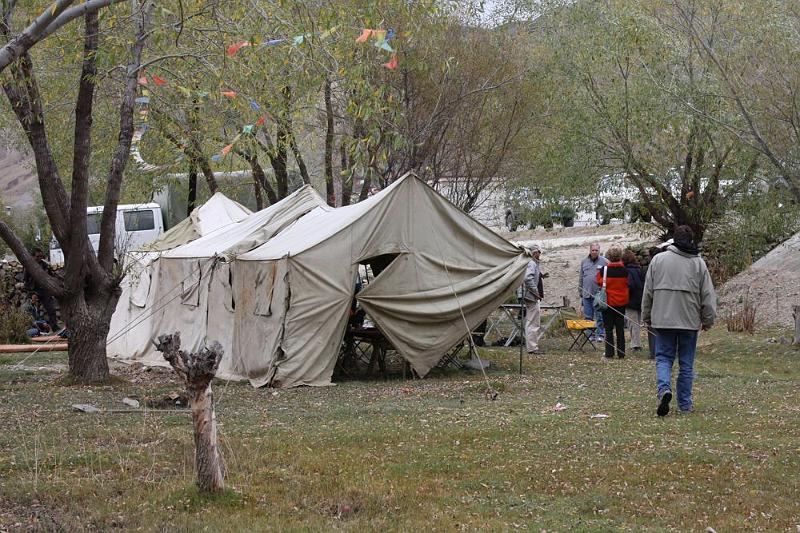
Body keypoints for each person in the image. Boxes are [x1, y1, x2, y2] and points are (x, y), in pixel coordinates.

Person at [642, 225, 716, 416]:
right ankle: (685, 404)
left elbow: (648, 291)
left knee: (663, 358)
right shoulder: (698, 263)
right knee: (686, 363)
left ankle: (664, 389)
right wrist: (708, 319)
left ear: (674, 239)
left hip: (663, 319)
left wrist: (646, 316)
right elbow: (708, 295)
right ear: (691, 241)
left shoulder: (658, 260)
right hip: (689, 321)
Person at [596, 245, 629, 358]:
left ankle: (609, 352)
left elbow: (598, 281)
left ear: (609, 257)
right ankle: (621, 352)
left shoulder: (604, 270)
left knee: (608, 329)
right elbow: (628, 283)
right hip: (621, 302)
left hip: (608, 303)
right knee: (620, 328)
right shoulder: (625, 270)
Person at [24, 248, 60, 332]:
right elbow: (26, 281)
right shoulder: (28, 267)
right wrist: (31, 293)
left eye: (41, 256)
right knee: (30, 309)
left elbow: (51, 276)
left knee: (51, 309)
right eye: (37, 256)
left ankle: (54, 327)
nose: (39, 258)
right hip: (34, 291)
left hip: (44, 290)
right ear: (33, 257)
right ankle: (30, 327)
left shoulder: (45, 265)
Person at [579, 243, 608, 341]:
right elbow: (581, 277)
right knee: (588, 316)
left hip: (599, 294)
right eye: (593, 250)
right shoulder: (584, 262)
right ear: (590, 250)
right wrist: (580, 290)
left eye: (596, 250)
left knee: (599, 316)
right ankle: (590, 335)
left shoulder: (605, 261)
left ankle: (600, 334)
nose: (594, 252)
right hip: (586, 293)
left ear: (599, 251)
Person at [522, 245, 544, 355]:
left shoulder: (533, 263)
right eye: (538, 252)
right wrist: (536, 292)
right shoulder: (532, 263)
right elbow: (527, 278)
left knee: (532, 321)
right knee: (533, 323)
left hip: (531, 296)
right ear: (534, 253)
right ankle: (532, 347)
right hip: (531, 296)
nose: (539, 254)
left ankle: (532, 346)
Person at [644, 246, 665, 359]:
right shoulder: (664, 267)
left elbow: (647, 290)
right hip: (662, 302)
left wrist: (646, 314)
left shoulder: (651, 267)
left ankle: (654, 352)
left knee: (653, 328)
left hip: (655, 302)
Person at [623, 249, 644, 352]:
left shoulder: (627, 271)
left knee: (632, 323)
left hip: (631, 300)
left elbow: (629, 285)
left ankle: (635, 344)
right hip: (640, 298)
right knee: (637, 322)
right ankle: (636, 343)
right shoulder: (639, 269)